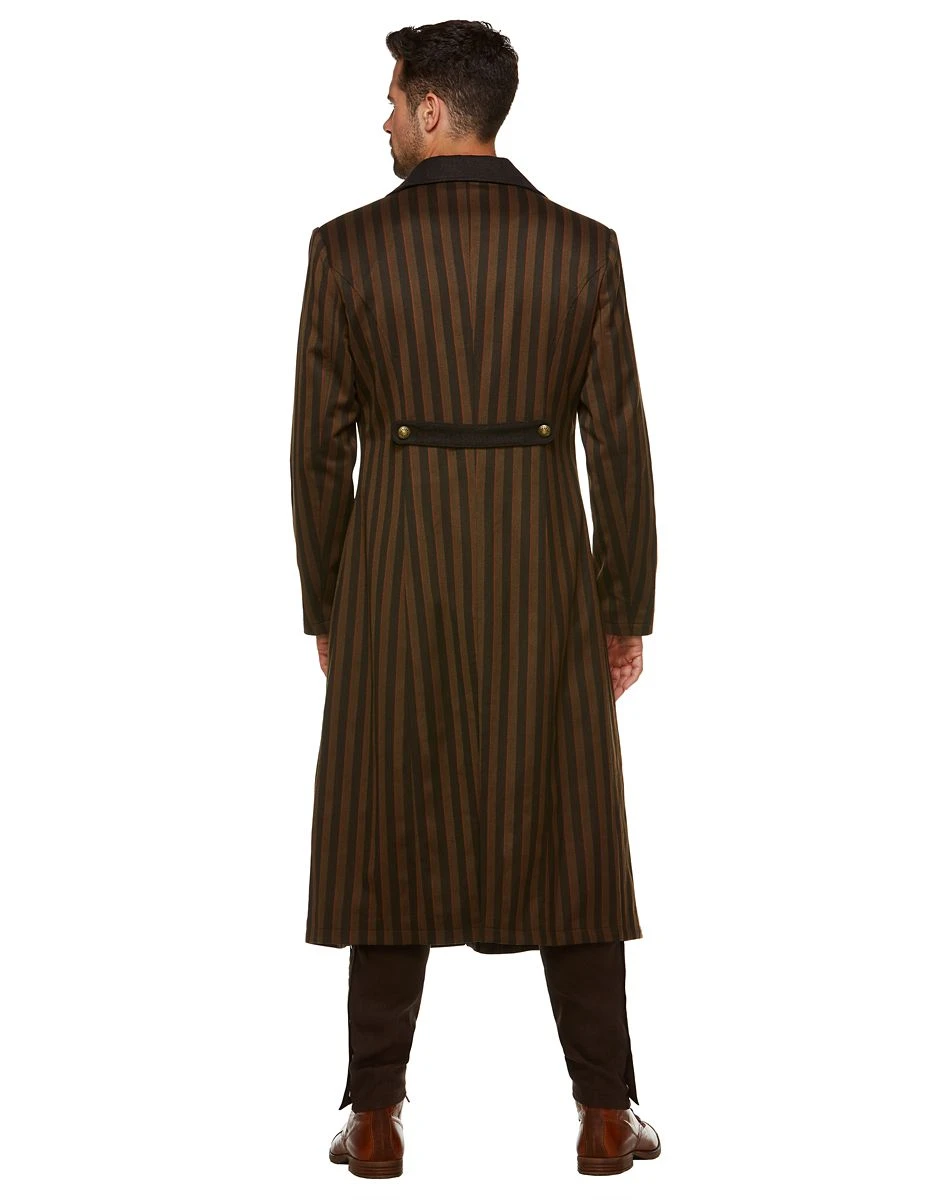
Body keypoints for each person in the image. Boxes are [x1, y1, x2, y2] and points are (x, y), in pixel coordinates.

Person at [290, 19, 660, 1178]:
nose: (383, 119)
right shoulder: (581, 249)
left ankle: (373, 1115)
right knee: (570, 827)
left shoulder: (346, 250)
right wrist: (622, 605)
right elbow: (619, 445)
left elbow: (318, 449)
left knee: (385, 822)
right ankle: (604, 1113)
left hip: (393, 571)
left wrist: (329, 602)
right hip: (542, 570)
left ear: (433, 109)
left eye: (392, 99)